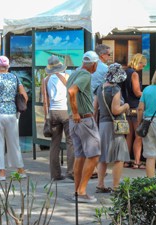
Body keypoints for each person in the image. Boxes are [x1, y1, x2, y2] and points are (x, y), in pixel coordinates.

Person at [0, 56, 28, 181]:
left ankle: (2, 173)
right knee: (14, 142)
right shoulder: (14, 77)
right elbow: (24, 95)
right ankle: (20, 170)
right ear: (8, 66)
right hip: (11, 114)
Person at [67, 51, 101, 203]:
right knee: (93, 155)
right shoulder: (86, 75)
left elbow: (71, 91)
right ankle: (81, 191)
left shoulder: (74, 73)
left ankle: (77, 191)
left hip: (75, 122)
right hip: (84, 119)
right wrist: (76, 113)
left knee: (80, 155)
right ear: (94, 64)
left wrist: (74, 114)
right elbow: (72, 91)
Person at [94, 63, 130, 192]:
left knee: (103, 157)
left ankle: (100, 184)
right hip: (115, 126)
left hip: (103, 125)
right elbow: (115, 110)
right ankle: (116, 186)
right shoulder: (115, 89)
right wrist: (125, 106)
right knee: (119, 157)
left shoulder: (100, 88)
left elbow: (94, 109)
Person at [42, 55, 74, 181]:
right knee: (70, 141)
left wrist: (46, 116)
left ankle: (55, 174)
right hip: (66, 111)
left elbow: (45, 100)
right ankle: (71, 171)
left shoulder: (45, 79)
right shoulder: (66, 77)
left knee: (54, 143)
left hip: (53, 112)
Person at [121, 53, 147, 169]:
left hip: (126, 107)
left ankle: (125, 161)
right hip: (135, 107)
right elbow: (137, 92)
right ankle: (137, 161)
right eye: (143, 64)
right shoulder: (134, 74)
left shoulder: (125, 72)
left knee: (129, 135)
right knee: (138, 135)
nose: (144, 66)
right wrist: (147, 94)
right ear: (138, 62)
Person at [91, 44, 110, 179]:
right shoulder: (105, 69)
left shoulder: (86, 67)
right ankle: (95, 168)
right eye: (109, 54)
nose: (109, 57)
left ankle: (92, 167)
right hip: (98, 107)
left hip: (86, 105)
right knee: (97, 139)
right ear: (102, 55)